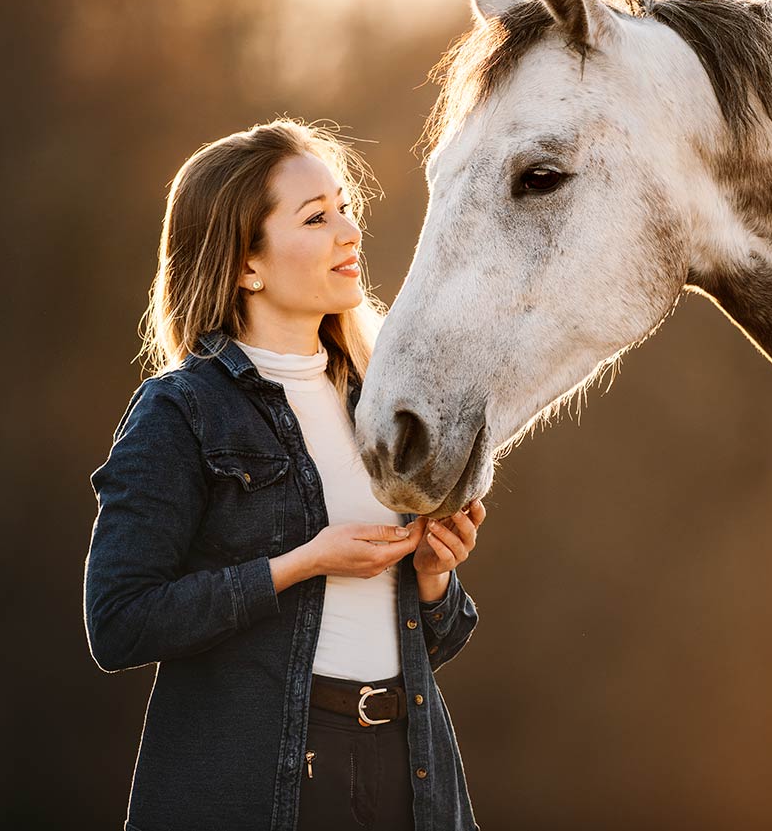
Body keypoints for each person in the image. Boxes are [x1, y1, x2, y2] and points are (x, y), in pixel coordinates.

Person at [84, 119, 483, 831]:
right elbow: (119, 621)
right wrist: (301, 564)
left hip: (408, 770)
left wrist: (432, 577)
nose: (349, 233)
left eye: (345, 209)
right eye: (316, 217)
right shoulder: (182, 410)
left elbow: (438, 640)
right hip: (264, 782)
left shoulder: (378, 405)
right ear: (247, 265)